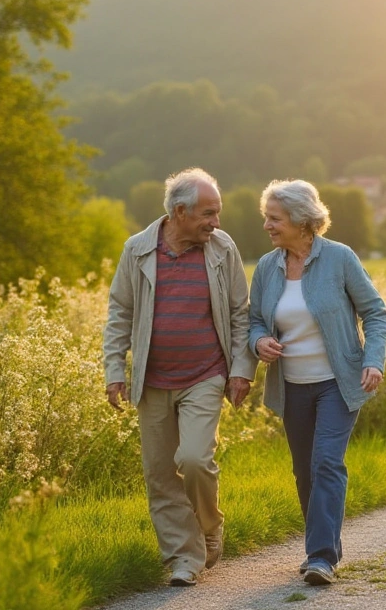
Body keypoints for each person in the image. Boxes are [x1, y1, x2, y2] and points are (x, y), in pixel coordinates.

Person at [102, 168, 256, 587]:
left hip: (205, 374)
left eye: (217, 213)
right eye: (208, 213)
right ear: (180, 211)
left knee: (193, 459)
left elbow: (241, 316)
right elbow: (120, 313)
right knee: (159, 473)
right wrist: (115, 370)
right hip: (151, 381)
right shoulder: (137, 250)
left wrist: (241, 371)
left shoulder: (222, 249)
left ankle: (209, 525)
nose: (216, 222)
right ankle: (183, 558)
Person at [248, 179, 386, 586]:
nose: (268, 226)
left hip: (337, 382)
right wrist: (259, 340)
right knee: (304, 472)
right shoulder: (267, 267)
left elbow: (375, 313)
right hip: (292, 386)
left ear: (301, 220)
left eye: (274, 218)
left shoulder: (339, 259)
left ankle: (321, 557)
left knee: (326, 463)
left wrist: (373, 360)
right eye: (266, 218)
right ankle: (325, 545)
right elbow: (256, 318)